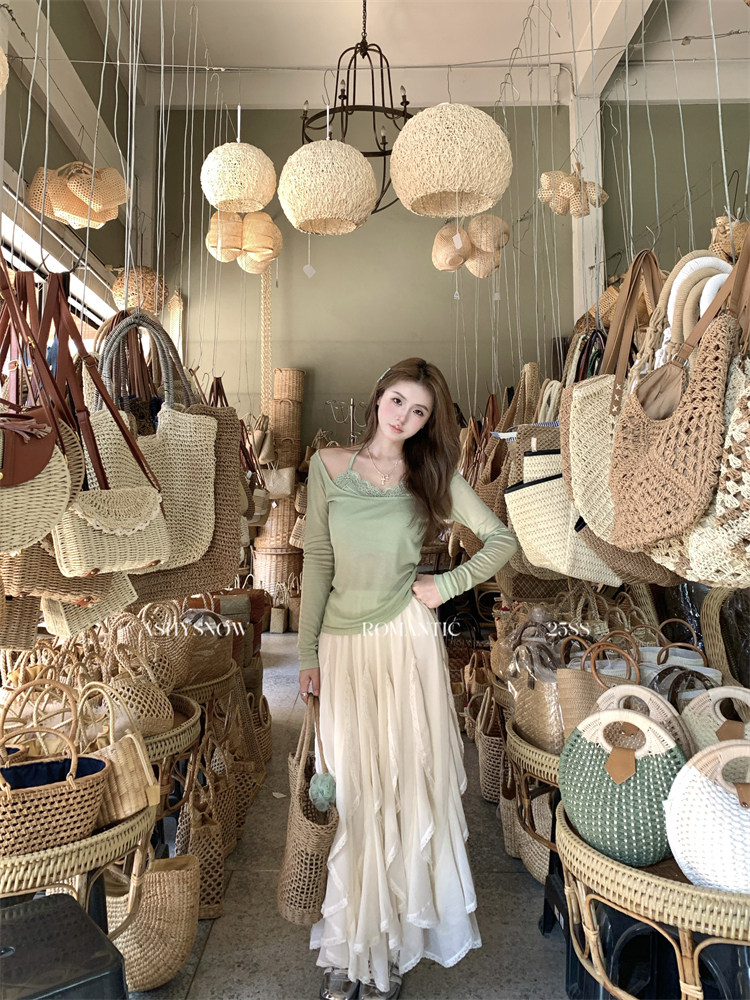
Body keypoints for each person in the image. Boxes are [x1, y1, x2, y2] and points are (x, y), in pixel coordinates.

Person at [297, 358, 517, 1000]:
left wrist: (445, 586)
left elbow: (500, 540)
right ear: (378, 397)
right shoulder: (328, 467)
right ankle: (349, 946)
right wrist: (306, 655)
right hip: (341, 647)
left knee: (400, 785)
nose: (404, 417)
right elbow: (317, 562)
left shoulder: (432, 477)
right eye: (398, 401)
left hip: (404, 643)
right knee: (350, 789)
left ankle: (390, 948)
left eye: (419, 411)